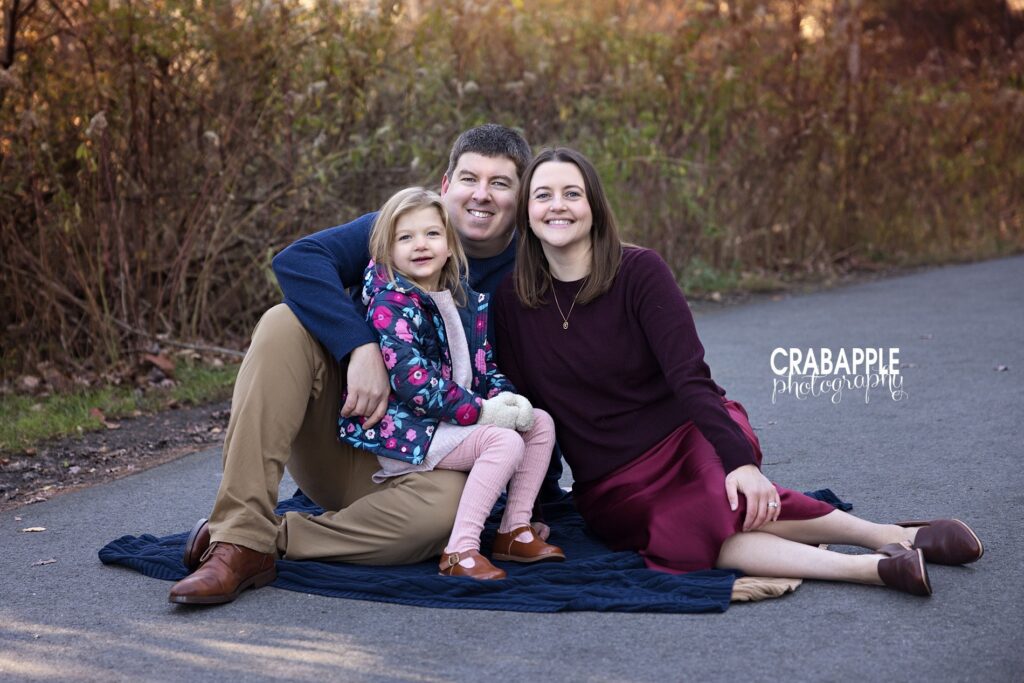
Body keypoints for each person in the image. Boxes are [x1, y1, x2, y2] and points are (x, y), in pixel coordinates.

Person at [493, 147, 984, 597]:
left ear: (594, 206)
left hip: (686, 436)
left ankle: (889, 538)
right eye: (543, 195)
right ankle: (875, 567)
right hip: (612, 482)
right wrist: (525, 515)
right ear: (528, 213)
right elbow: (529, 415)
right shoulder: (511, 303)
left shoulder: (639, 272)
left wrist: (739, 461)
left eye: (572, 193)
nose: (558, 206)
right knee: (685, 528)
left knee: (720, 497)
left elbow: (690, 375)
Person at [169, 124, 544, 604]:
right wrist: (360, 348)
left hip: (433, 471)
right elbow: (297, 261)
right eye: (469, 179)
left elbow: (545, 388)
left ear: (521, 197)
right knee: (284, 323)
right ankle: (237, 536)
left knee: (442, 517)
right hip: (351, 436)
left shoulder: (531, 270)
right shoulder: (401, 225)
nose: (482, 196)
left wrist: (529, 501)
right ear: (446, 184)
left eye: (501, 183)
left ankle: (270, 539)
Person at [340, 187, 564, 579]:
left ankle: (514, 529)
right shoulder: (390, 303)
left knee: (538, 423)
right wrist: (482, 411)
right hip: (405, 429)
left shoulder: (459, 300)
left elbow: (481, 366)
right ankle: (460, 551)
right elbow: (413, 382)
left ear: (448, 245)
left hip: (447, 421)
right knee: (503, 440)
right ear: (385, 250)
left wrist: (505, 398)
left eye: (431, 234)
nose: (419, 245)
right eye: (404, 238)